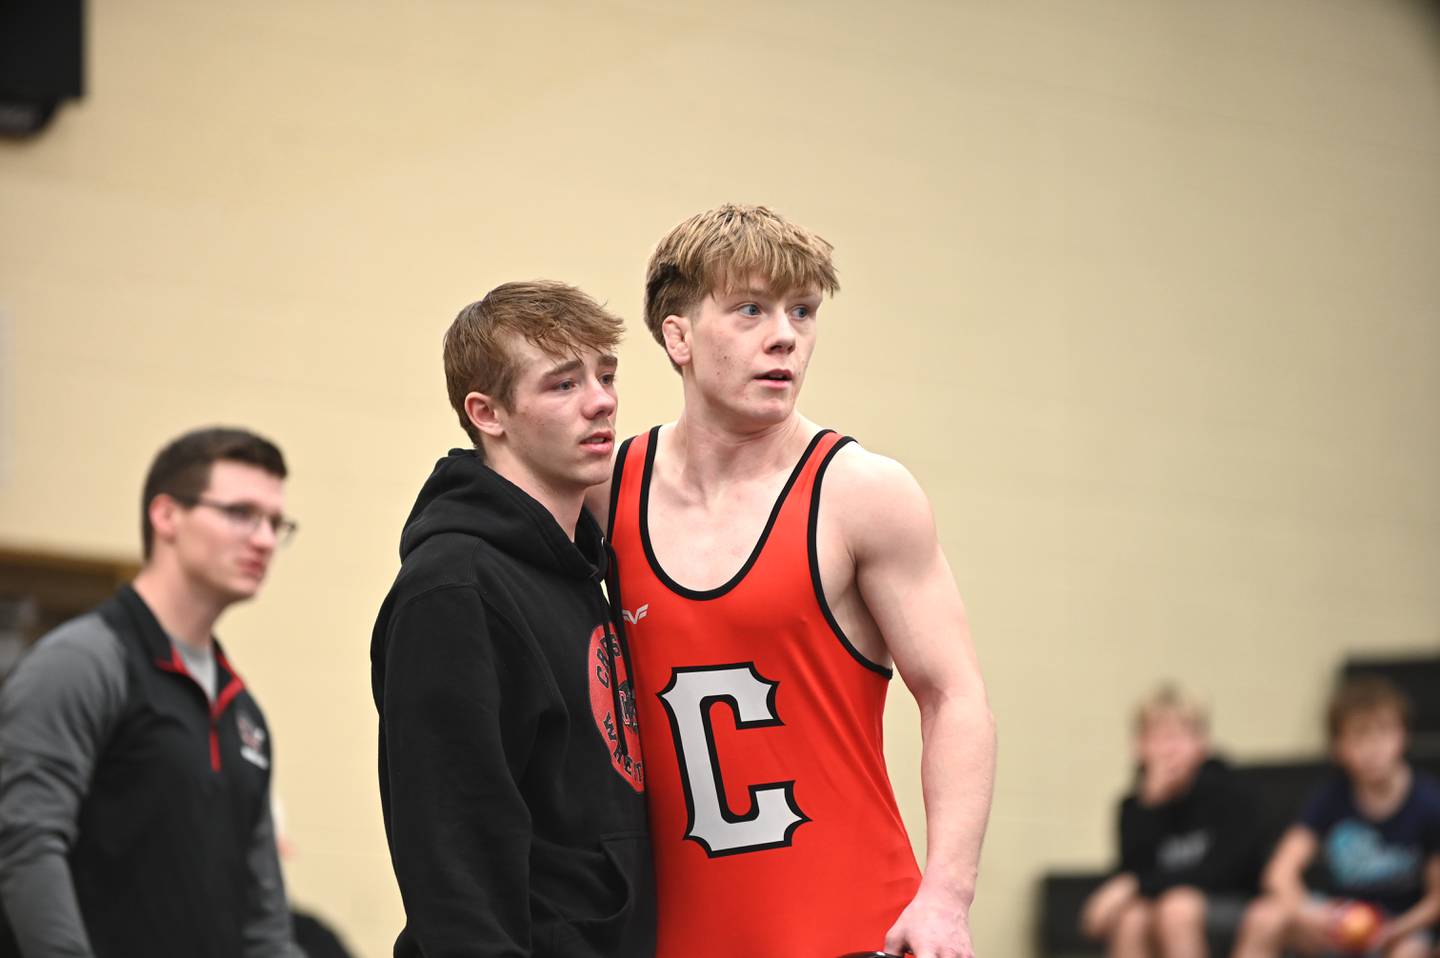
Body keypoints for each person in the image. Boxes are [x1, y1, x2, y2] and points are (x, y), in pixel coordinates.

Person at [591, 204, 996, 958]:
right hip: (676, 941)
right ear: (676, 334)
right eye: (750, 309)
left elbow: (954, 694)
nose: (785, 336)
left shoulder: (862, 494)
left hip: (852, 933)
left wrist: (946, 894)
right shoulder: (607, 491)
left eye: (802, 312)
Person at [371, 281, 655, 958]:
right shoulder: (453, 590)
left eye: (606, 375)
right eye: (562, 385)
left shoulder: (580, 571)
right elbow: (453, 859)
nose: (602, 401)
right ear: (487, 413)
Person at [0, 426, 302, 957]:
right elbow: (26, 845)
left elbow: (264, 921)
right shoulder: (84, 663)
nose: (262, 539)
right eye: (240, 513)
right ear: (166, 516)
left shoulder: (241, 711)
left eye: (275, 523)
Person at [1232, 676, 1440, 958]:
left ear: (1403, 735)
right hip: (1339, 921)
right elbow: (1279, 872)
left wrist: (1396, 929)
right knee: (1264, 917)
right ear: (1339, 748)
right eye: (1359, 737)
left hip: (1401, 926)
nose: (1372, 748)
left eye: (1382, 733)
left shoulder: (1428, 802)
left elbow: (1436, 899)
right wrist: (1310, 912)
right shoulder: (1331, 797)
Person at [1078, 684, 1264, 956]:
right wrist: (1150, 807)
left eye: (1179, 738)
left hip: (1232, 901)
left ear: (1202, 743)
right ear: (1138, 747)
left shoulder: (1228, 791)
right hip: (1168, 900)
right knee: (1132, 919)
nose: (1169, 750)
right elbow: (1135, 866)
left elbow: (1222, 872)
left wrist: (1134, 885)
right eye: (1158, 738)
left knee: (1176, 909)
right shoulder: (1134, 806)